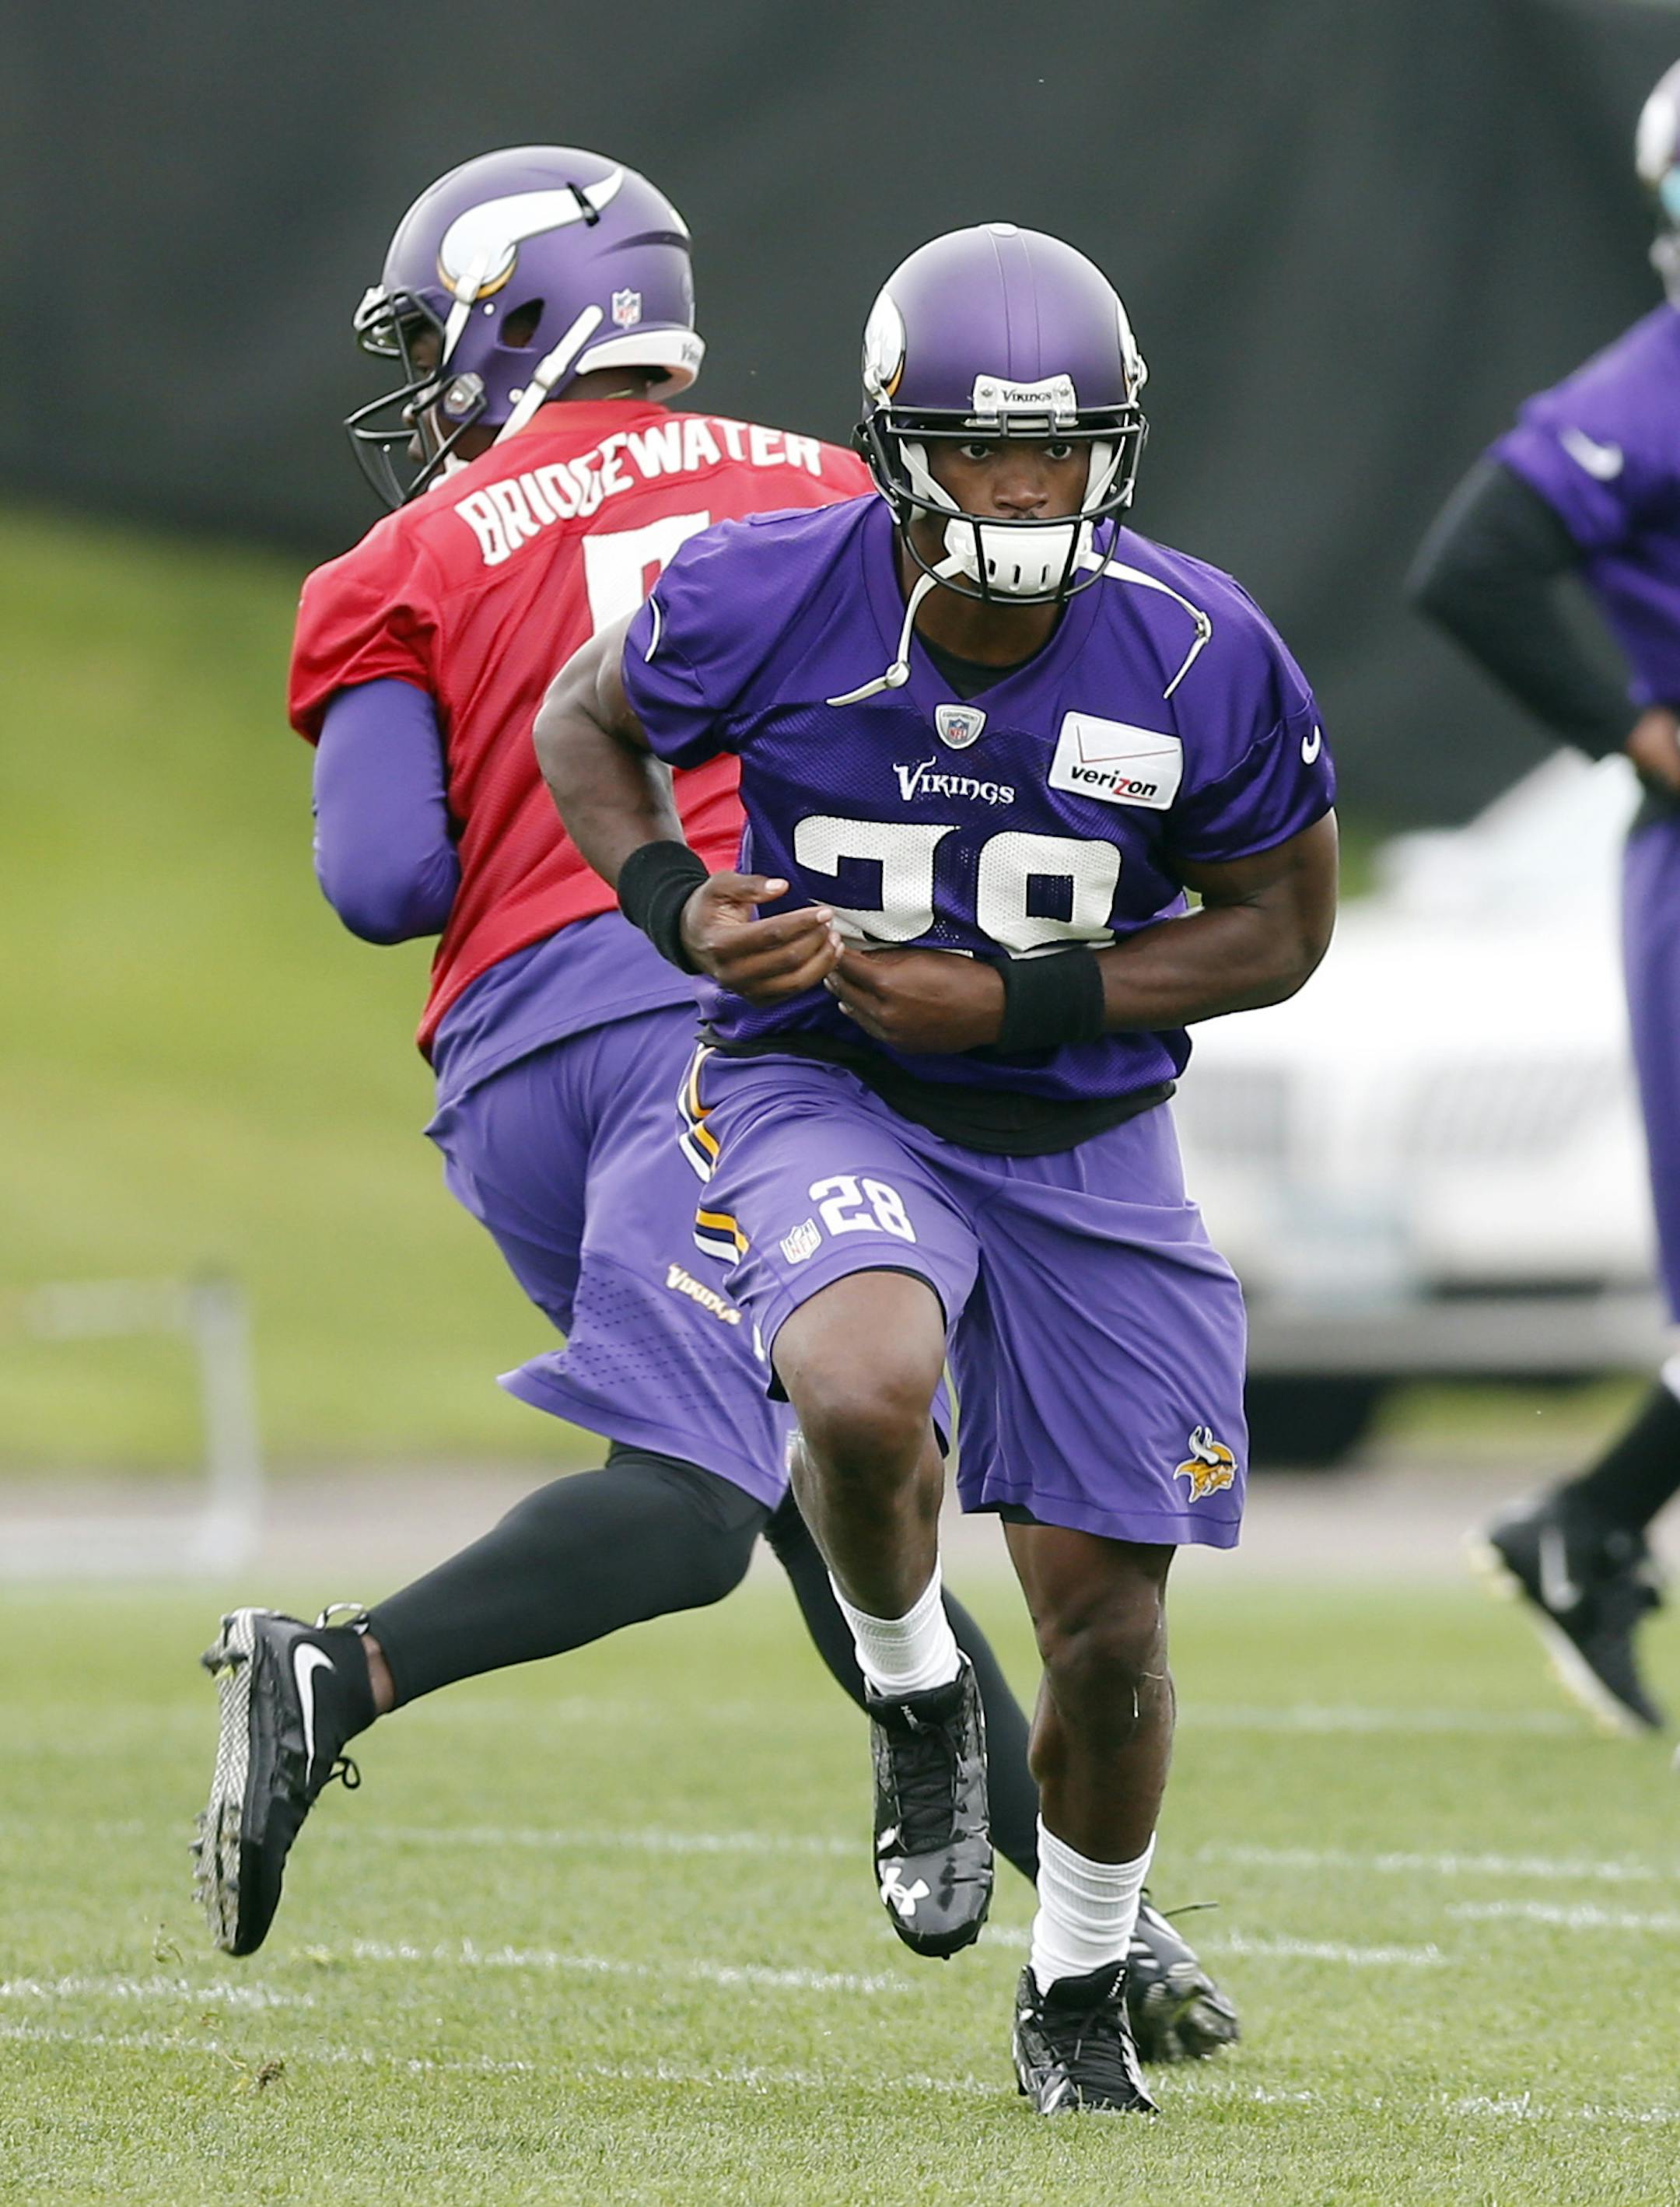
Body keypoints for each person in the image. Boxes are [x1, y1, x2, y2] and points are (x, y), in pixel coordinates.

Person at [191, 148, 1236, 2065]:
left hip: (509, 1074)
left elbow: (381, 882)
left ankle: (1108, 1931)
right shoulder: (847, 487)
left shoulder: (403, 558)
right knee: (709, 1491)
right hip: (736, 1024)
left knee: (824, 1464)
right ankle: (330, 1676)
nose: (429, 392)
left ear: (517, 322)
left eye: (436, 347)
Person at [537, 221, 1338, 2114]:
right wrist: (672, 903)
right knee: (865, 1385)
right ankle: (910, 1686)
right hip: (831, 1085)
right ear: (901, 446)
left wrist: (1023, 1000)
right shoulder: (761, 590)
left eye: (1061, 449)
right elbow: (592, 720)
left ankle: (1069, 1986)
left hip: (1082, 1140)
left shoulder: (1203, 647)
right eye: (988, 447)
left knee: (1113, 1639)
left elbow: (1283, 927)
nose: (1027, 486)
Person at [1409, 62, 1680, 1738]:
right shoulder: (1649, 392)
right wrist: (1638, 727)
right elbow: (1472, 563)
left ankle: (1581, 1525)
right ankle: (1582, 1527)